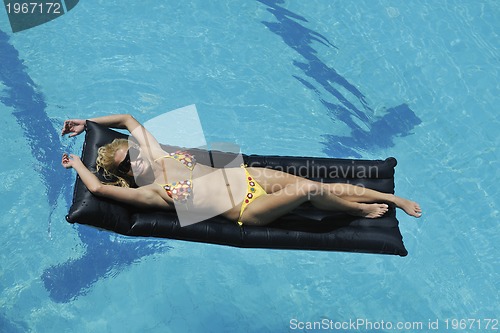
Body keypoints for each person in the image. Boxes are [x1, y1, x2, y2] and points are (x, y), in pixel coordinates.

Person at [61, 114, 422, 226]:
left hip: (248, 177)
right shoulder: (149, 192)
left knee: (313, 183)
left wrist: (88, 122)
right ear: (126, 174)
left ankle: (389, 196)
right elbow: (98, 190)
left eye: (133, 150)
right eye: (129, 161)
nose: (137, 157)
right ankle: (358, 209)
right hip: (247, 210)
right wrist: (78, 162)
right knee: (309, 191)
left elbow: (126, 118)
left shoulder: (158, 157)